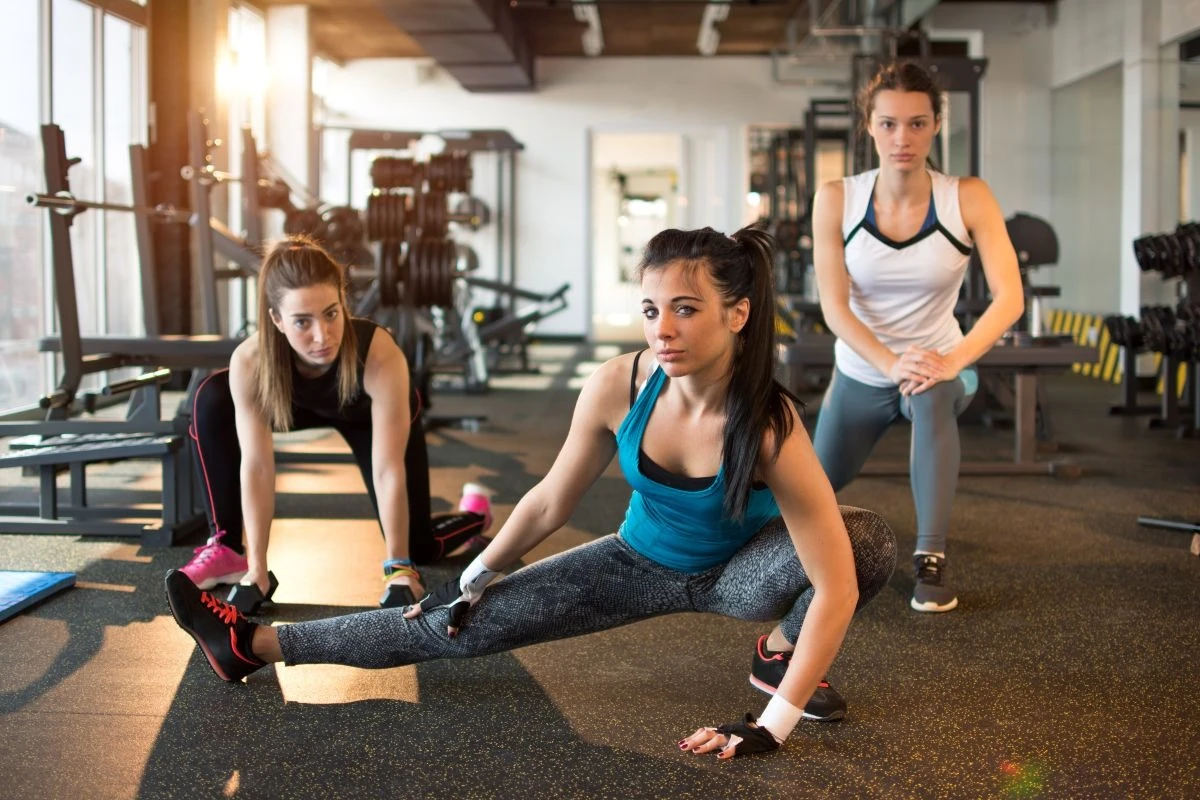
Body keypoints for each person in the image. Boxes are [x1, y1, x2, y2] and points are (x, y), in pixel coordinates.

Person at [165, 225, 897, 760]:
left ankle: (778, 651)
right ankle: (251, 643)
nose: (663, 329)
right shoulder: (620, 384)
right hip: (636, 563)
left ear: (738, 314)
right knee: (455, 626)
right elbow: (550, 500)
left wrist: (772, 726)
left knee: (864, 540)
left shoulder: (769, 423)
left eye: (685, 309)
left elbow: (832, 581)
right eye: (650, 310)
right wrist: (479, 579)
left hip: (743, 575)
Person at [178, 236, 494, 612]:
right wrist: (258, 570)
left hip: (366, 417)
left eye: (331, 313)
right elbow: (258, 466)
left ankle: (476, 512)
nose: (321, 336)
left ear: (343, 301)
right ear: (276, 320)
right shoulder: (251, 360)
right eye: (301, 322)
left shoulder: (379, 354)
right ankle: (229, 550)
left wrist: (398, 566)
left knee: (419, 547)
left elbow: (388, 469)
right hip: (294, 408)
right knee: (210, 397)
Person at [809, 61, 1023, 613]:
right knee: (814, 482)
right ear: (869, 125)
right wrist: (888, 364)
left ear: (935, 125)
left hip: (941, 365)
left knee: (929, 396)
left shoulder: (967, 197)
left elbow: (1010, 299)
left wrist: (951, 362)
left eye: (917, 123)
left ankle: (930, 560)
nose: (902, 138)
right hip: (862, 368)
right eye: (888, 124)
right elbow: (833, 307)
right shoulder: (837, 198)